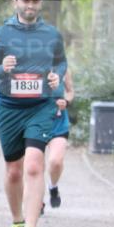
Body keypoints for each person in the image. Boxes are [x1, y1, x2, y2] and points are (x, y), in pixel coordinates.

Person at [0, 0, 66, 227]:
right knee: (14, 171)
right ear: (15, 2)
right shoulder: (1, 34)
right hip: (8, 109)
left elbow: (61, 62)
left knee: (33, 165)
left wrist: (57, 76)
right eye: (25, 0)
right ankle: (17, 221)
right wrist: (1, 69)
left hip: (41, 106)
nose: (30, 5)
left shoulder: (52, 34)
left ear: (40, 3)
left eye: (35, 0)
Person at [46, 68, 74, 208]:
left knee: (56, 161)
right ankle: (36, 202)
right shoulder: (29, 61)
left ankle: (53, 186)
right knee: (33, 167)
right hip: (34, 122)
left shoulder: (63, 66)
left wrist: (66, 102)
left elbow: (70, 91)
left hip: (58, 122)